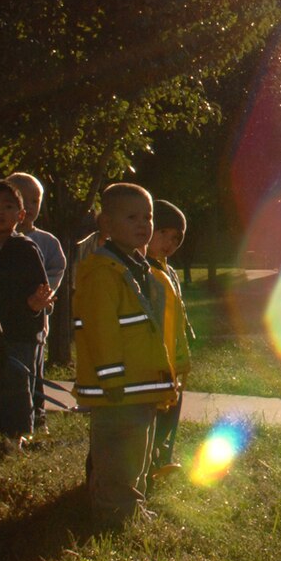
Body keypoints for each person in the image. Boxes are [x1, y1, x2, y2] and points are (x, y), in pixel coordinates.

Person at [72, 182, 172, 524]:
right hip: (118, 384)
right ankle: (113, 509)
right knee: (116, 448)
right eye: (132, 217)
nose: (143, 224)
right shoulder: (103, 272)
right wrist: (110, 375)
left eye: (148, 216)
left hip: (141, 380)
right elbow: (101, 328)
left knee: (138, 448)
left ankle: (132, 504)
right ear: (107, 224)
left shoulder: (140, 268)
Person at [0, 178, 54, 442]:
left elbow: (40, 288)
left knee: (17, 381)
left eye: (8, 206)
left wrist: (35, 305)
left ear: (20, 215)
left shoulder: (24, 248)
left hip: (19, 329)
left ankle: (17, 434)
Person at [5, 171, 68, 430]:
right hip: (6, 316)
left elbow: (56, 272)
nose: (29, 207)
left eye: (35, 201)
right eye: (22, 200)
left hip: (36, 318)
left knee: (34, 368)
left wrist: (43, 296)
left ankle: (37, 414)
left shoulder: (46, 242)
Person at [145, 199, 194, 478]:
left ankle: (158, 457)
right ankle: (146, 460)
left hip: (171, 358)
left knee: (169, 411)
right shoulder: (141, 270)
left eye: (176, 238)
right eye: (163, 233)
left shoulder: (169, 271)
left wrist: (182, 354)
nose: (169, 242)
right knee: (150, 412)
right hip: (151, 356)